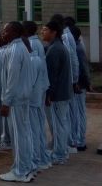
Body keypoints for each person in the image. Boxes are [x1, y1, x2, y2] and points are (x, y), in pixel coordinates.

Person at [0, 21, 35, 183]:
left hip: (16, 99)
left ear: (13, 32)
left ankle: (20, 171)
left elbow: (12, 79)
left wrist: (6, 102)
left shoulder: (15, 50)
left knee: (19, 135)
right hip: (23, 97)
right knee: (24, 133)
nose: (3, 33)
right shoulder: (22, 48)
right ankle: (25, 167)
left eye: (6, 31)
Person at [41, 17, 73, 165]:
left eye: (45, 30)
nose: (43, 32)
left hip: (58, 94)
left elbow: (51, 76)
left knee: (58, 124)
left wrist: (49, 94)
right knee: (61, 123)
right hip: (63, 92)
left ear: (54, 32)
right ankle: (61, 151)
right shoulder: (58, 46)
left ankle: (60, 154)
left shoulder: (55, 50)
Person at [24, 21, 51, 174]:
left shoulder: (32, 46)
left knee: (34, 127)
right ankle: (41, 157)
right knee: (38, 126)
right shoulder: (38, 44)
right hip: (40, 90)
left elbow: (31, 75)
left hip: (34, 93)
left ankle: (36, 159)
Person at [61, 15, 81, 154]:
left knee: (69, 114)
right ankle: (73, 140)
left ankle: (72, 141)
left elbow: (75, 62)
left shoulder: (66, 40)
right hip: (71, 82)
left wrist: (75, 81)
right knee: (71, 114)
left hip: (69, 84)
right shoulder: (71, 40)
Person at [70, 23, 90, 151]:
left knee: (79, 112)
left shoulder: (77, 48)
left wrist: (85, 83)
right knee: (78, 112)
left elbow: (83, 67)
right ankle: (79, 139)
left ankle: (80, 140)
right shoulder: (77, 45)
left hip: (79, 84)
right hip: (80, 83)